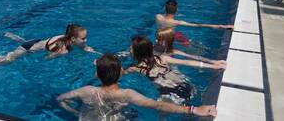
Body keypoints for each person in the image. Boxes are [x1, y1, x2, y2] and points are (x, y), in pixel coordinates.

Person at [57, 53, 217, 119]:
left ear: (97, 75)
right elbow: (158, 105)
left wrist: (76, 112)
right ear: (121, 73)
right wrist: (194, 109)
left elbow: (60, 99)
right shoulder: (127, 94)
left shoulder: (86, 90)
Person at [0, 24, 98, 72]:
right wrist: (55, 57)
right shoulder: (63, 49)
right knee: (4, 61)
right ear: (73, 39)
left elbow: (83, 46)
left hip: (35, 42)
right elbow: (46, 58)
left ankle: (13, 37)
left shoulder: (69, 37)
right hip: (27, 48)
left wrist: (90, 50)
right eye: (84, 38)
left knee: (33, 46)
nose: (85, 40)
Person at [155, 28, 227, 66]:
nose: (155, 40)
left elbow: (192, 57)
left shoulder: (172, 51)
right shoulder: (152, 48)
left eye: (158, 39)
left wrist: (213, 61)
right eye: (156, 38)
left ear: (167, 41)